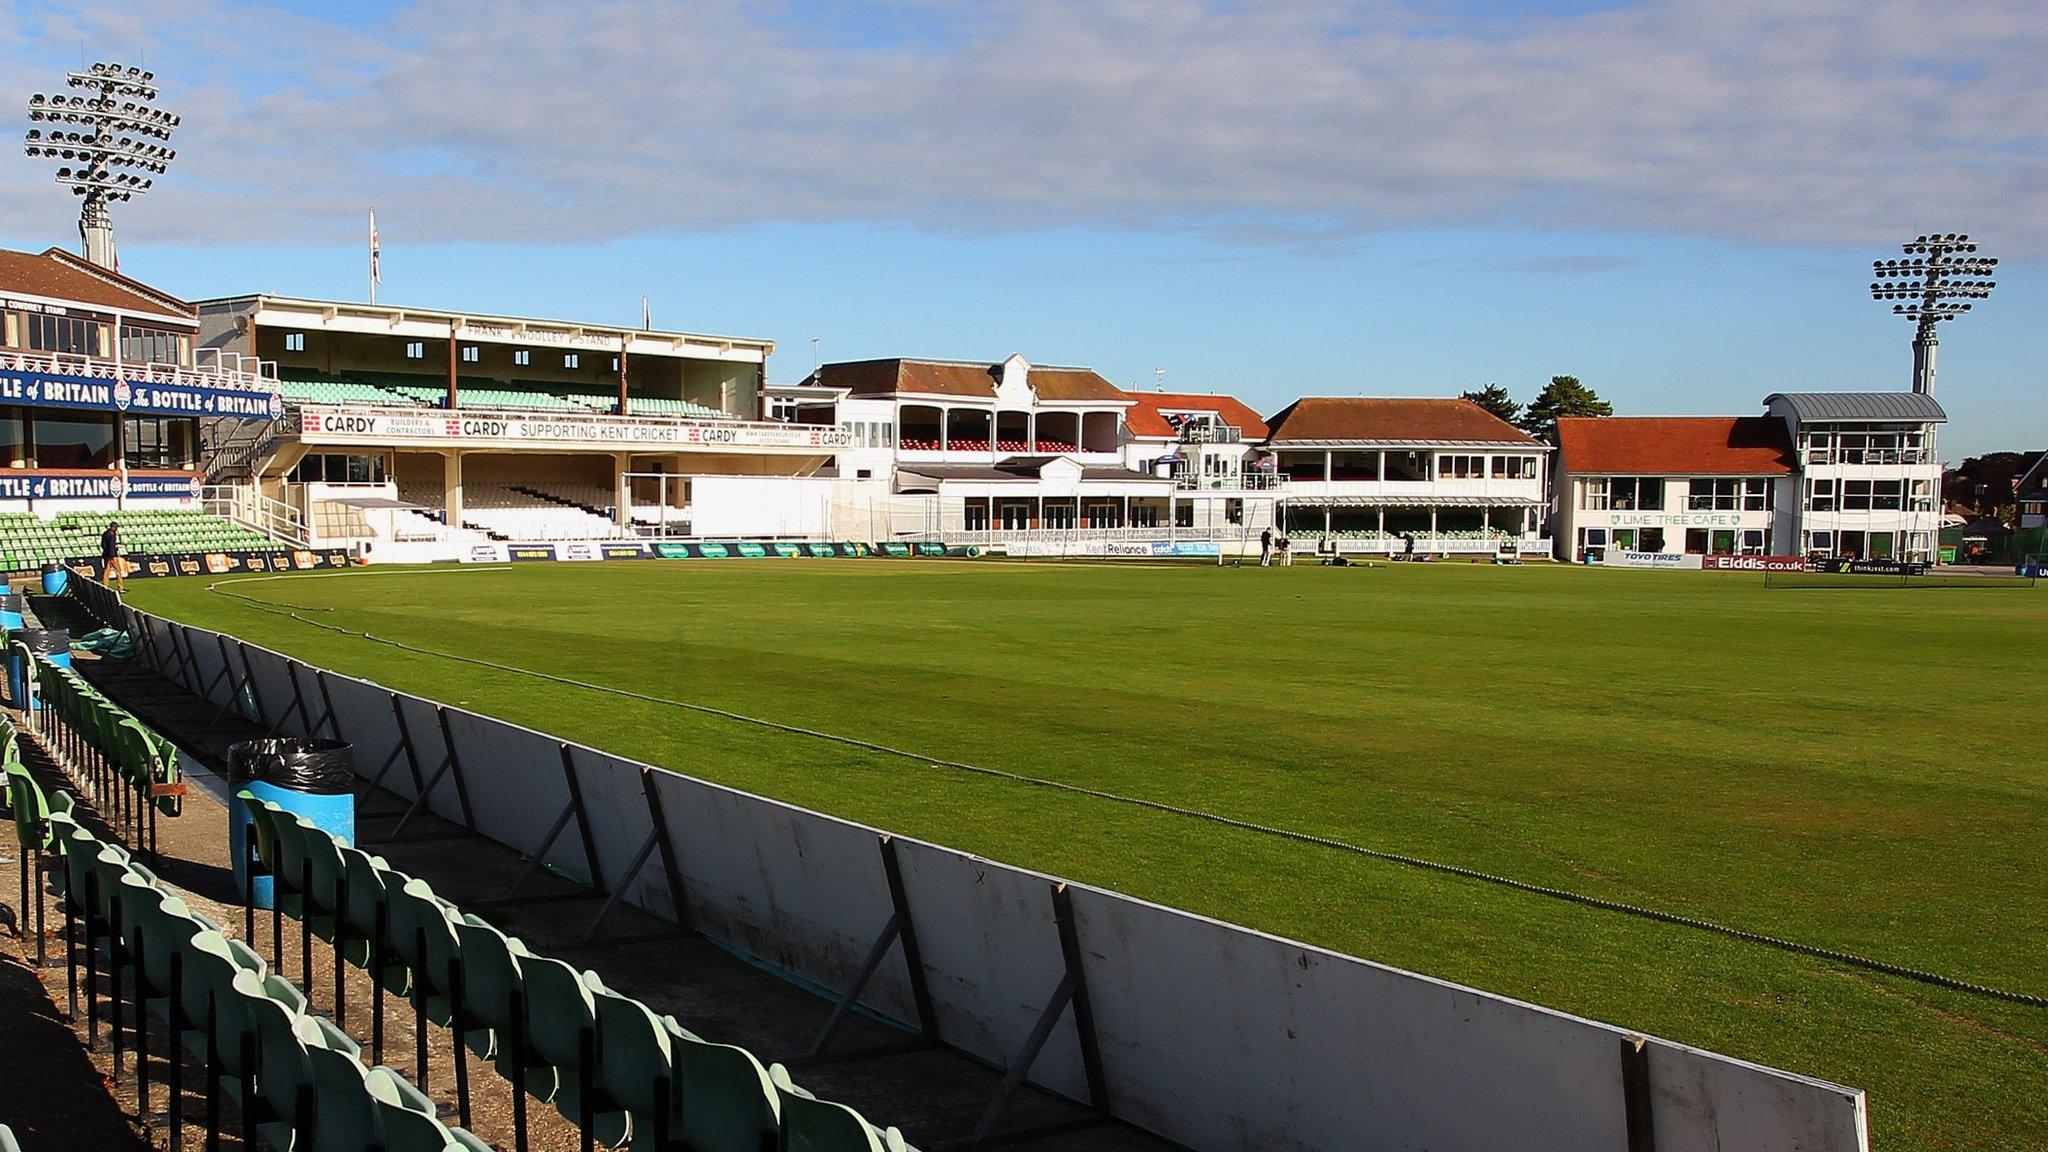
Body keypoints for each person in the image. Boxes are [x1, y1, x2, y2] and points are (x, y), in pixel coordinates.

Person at [100, 520, 125, 591]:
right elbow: (111, 546)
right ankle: (120, 588)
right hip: (112, 556)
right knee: (118, 571)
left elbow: (103, 545)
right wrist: (112, 556)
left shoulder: (105, 533)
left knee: (106, 571)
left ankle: (104, 586)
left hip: (106, 555)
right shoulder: (112, 534)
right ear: (114, 527)